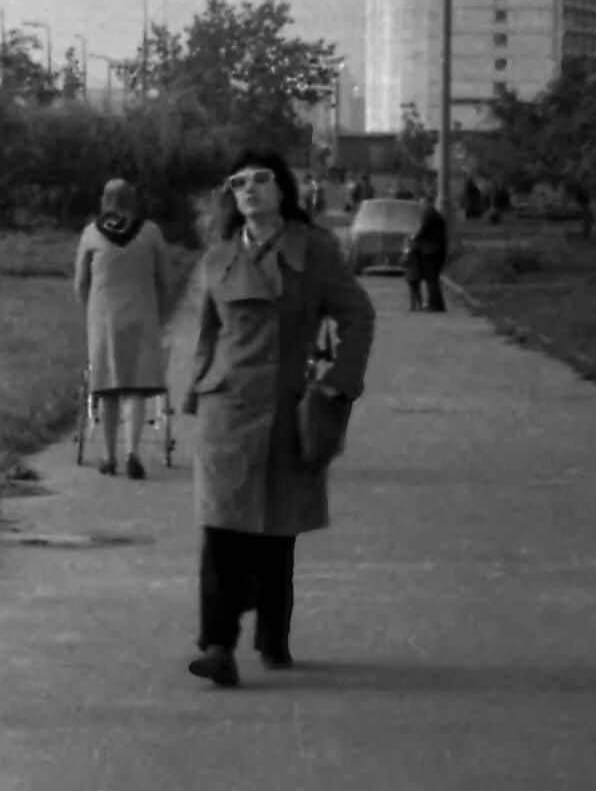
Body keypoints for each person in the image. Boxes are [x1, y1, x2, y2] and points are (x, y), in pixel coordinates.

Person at [180, 149, 376, 686]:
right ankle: (218, 645)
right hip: (228, 408)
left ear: (282, 189)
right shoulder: (218, 255)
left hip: (288, 408)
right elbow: (208, 331)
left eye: (261, 179)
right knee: (221, 530)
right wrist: (199, 388)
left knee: (273, 530)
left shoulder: (312, 251)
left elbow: (357, 315)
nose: (249, 189)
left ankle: (273, 634)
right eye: (238, 182)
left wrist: (338, 384)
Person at [72, 178, 170, 478]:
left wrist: (88, 307)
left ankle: (108, 455)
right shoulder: (150, 232)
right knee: (135, 388)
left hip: (104, 317)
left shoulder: (91, 233)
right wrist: (161, 310)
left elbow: (80, 284)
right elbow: (165, 278)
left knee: (108, 388)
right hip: (141, 315)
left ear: (105, 200)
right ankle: (133, 453)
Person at [408, 196, 449, 313]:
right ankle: (437, 304)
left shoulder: (429, 215)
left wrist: (414, 238)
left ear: (428, 204)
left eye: (422, 204)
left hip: (432, 252)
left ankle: (435, 305)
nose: (421, 207)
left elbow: (423, 232)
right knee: (433, 279)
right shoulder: (433, 215)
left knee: (431, 278)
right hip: (437, 250)